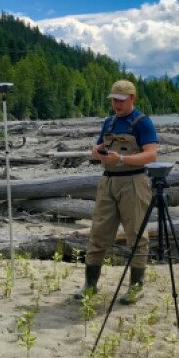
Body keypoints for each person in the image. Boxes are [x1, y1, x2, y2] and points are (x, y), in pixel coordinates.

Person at [74, 80, 158, 304]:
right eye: (113, 100)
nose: (116, 104)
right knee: (98, 233)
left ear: (132, 98)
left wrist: (121, 158)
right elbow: (97, 148)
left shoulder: (143, 123)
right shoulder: (109, 122)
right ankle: (90, 285)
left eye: (120, 100)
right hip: (108, 183)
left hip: (134, 183)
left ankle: (135, 287)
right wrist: (97, 151)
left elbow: (151, 155)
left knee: (137, 235)